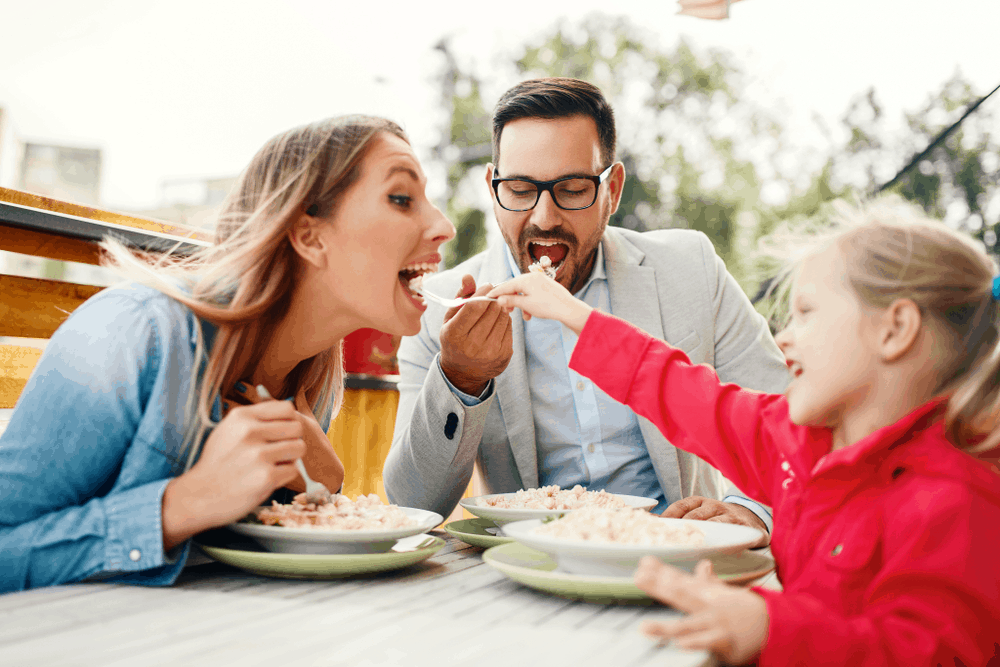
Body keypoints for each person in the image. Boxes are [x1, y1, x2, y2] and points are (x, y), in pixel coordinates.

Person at [486, 199, 1000, 666]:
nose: (784, 337)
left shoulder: (956, 499)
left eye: (806, 313)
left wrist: (771, 628)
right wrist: (574, 313)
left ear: (895, 329)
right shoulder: (796, 445)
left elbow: (934, 653)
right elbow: (682, 392)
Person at [0, 115, 455, 593]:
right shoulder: (131, 334)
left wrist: (324, 486)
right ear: (310, 236)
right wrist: (182, 505)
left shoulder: (313, 377)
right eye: (402, 198)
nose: (443, 225)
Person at [384, 77, 787, 541]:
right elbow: (411, 505)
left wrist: (752, 510)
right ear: (493, 187)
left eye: (572, 189)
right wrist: (461, 379)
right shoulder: (443, 307)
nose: (544, 217)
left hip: (673, 552)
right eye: (519, 189)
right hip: (527, 570)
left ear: (612, 189)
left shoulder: (691, 269)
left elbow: (788, 423)